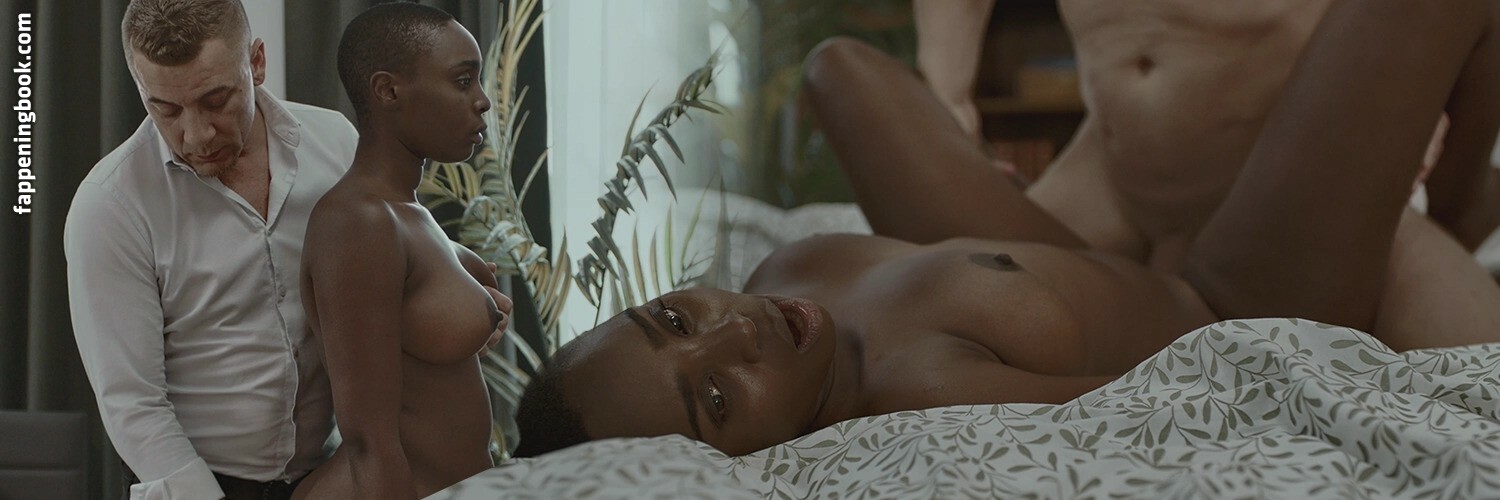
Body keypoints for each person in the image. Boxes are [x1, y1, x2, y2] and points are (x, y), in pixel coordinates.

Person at [510, 0, 1500, 459]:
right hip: (1225, 294)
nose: (734, 330)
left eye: (673, 319)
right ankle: (1452, 214)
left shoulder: (789, 272)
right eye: (720, 398)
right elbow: (1207, 392)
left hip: (1071, 258)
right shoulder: (930, 388)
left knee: (837, 69)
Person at [1022, 0, 1500, 349]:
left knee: (1469, 366)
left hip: (1290, 195)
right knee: (987, 300)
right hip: (1109, 180)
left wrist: (1403, 118)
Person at [63, 1, 356, 498]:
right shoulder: (110, 205)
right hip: (196, 483)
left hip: (331, 475)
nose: (196, 135)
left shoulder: (335, 144)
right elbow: (133, 404)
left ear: (256, 63)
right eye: (166, 109)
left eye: (216, 100)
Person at [291, 4, 510, 499]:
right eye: (462, 81)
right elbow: (370, 443)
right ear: (388, 91)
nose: (482, 101)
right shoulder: (358, 223)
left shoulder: (408, 214)